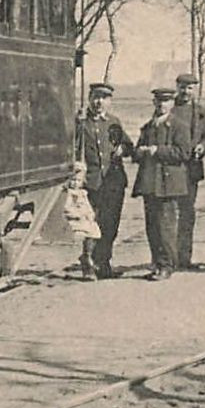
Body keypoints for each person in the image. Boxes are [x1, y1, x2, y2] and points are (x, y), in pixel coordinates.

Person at [132, 87, 196, 280]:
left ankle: (167, 265)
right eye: (159, 101)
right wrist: (141, 152)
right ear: (154, 103)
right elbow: (136, 153)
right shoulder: (148, 127)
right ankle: (157, 263)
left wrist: (157, 150)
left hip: (168, 185)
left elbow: (184, 153)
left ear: (171, 104)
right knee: (152, 226)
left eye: (166, 101)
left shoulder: (179, 126)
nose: (162, 105)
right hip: (150, 183)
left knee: (166, 227)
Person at [73, 83, 134, 279]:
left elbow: (128, 145)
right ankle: (88, 263)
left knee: (110, 224)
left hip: (113, 182)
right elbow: (72, 148)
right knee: (91, 224)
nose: (99, 102)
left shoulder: (114, 122)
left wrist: (123, 149)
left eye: (104, 98)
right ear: (90, 99)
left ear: (109, 101)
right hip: (91, 182)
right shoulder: (81, 123)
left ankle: (104, 263)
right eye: (96, 97)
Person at [171, 73, 205, 269]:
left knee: (188, 213)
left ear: (195, 90)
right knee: (171, 213)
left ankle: (184, 257)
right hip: (172, 169)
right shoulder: (169, 108)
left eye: (190, 88)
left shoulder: (200, 112)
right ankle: (169, 257)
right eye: (183, 87)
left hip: (191, 170)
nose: (186, 91)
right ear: (177, 87)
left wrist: (203, 147)